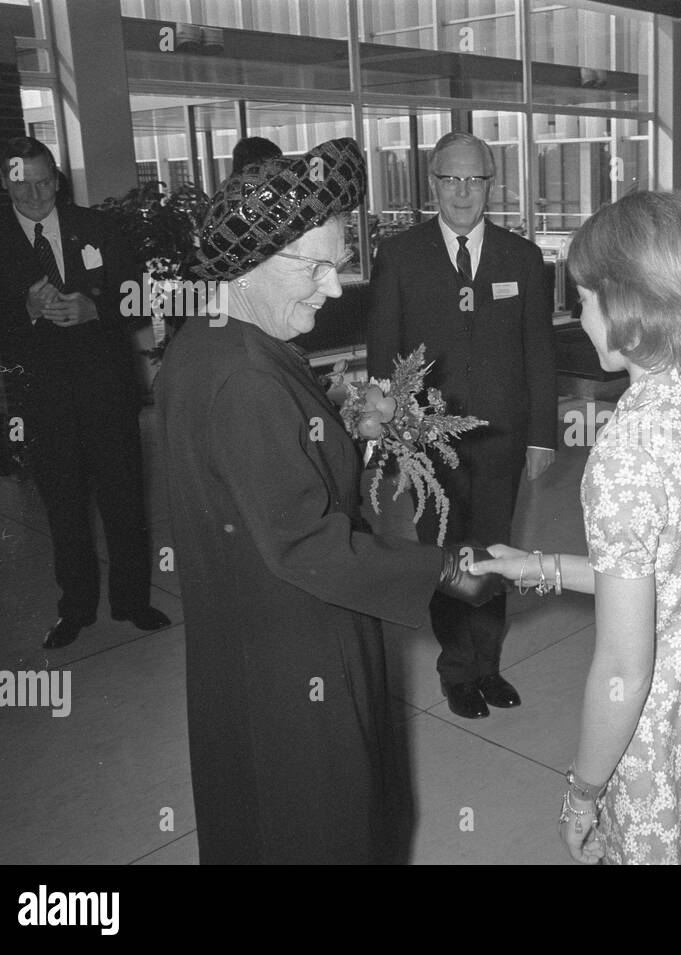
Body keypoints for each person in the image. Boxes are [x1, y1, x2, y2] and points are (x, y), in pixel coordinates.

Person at [156, 138, 501, 864]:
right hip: (297, 654)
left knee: (258, 817)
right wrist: (438, 568)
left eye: (337, 264)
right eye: (314, 266)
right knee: (327, 821)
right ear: (245, 261)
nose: (333, 287)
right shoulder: (247, 378)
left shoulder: (207, 343)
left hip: (242, 642)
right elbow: (304, 543)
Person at [470, 190, 681, 865]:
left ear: (627, 303)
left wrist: (583, 792)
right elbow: (669, 579)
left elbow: (623, 667)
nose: (577, 317)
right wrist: (542, 566)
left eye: (583, 298)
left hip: (666, 710)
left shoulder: (628, 449)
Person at [366, 132, 556, 720]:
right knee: (448, 558)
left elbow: (539, 352)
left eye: (475, 179)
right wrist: (392, 434)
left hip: (502, 436)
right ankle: (458, 672)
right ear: (433, 184)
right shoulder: (400, 256)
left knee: (493, 555)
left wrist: (542, 434)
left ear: (490, 184)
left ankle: (488, 666)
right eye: (451, 179)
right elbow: (383, 355)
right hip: (430, 442)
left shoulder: (521, 257)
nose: (463, 192)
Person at [0, 136, 169, 649]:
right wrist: (26, 311)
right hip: (41, 398)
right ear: (4, 182)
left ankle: (133, 601)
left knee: (123, 500)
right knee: (64, 507)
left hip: (107, 392)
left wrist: (96, 309)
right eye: (22, 184)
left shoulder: (100, 227)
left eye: (43, 182)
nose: (35, 194)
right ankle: (75, 609)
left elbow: (139, 298)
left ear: (57, 178)